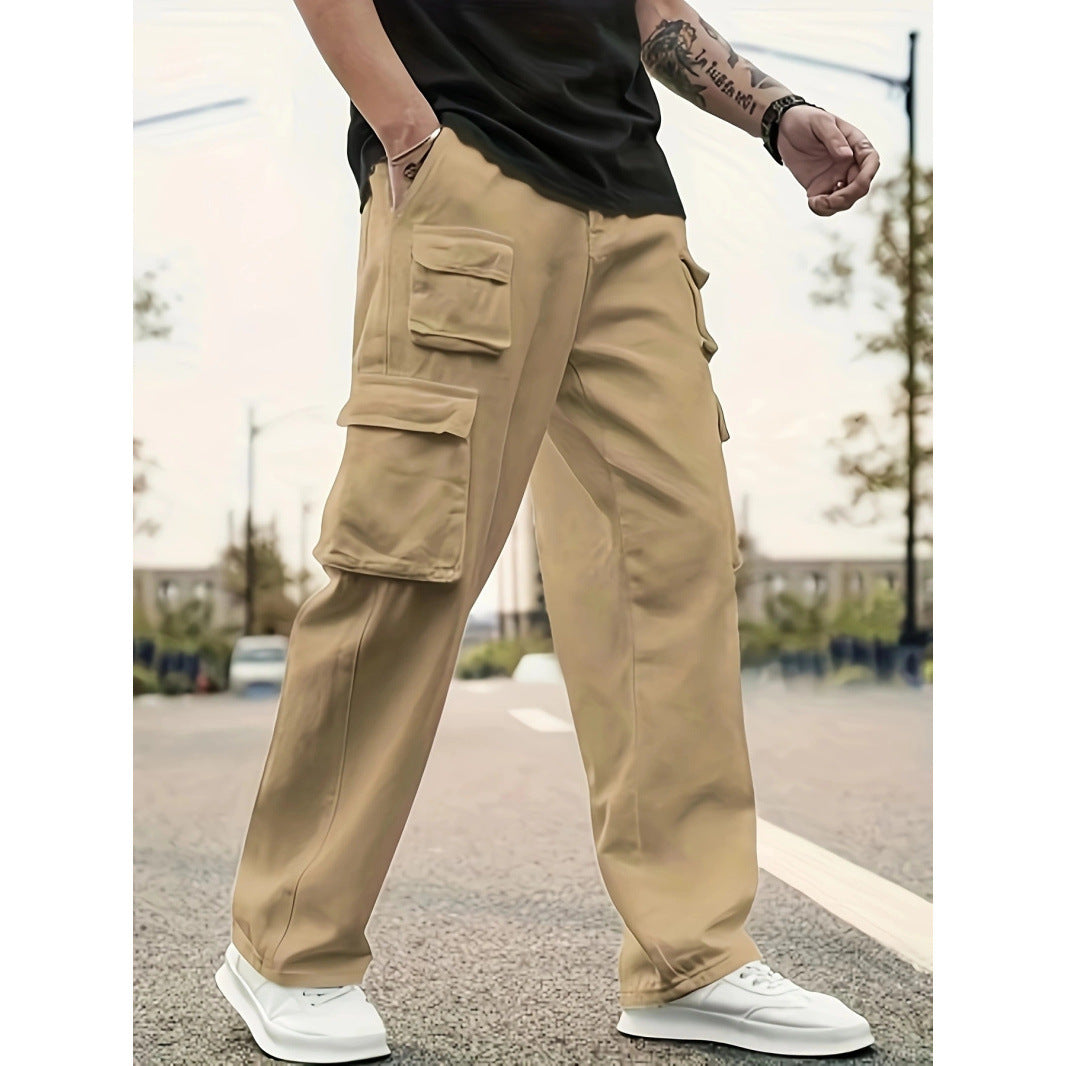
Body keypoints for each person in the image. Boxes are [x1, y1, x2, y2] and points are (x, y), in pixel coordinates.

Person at [213, 0, 881, 1061]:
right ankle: (287, 945)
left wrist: (775, 114)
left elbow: (653, 13)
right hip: (466, 165)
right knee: (410, 555)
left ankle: (689, 958)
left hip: (635, 209)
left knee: (672, 570)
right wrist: (408, 133)